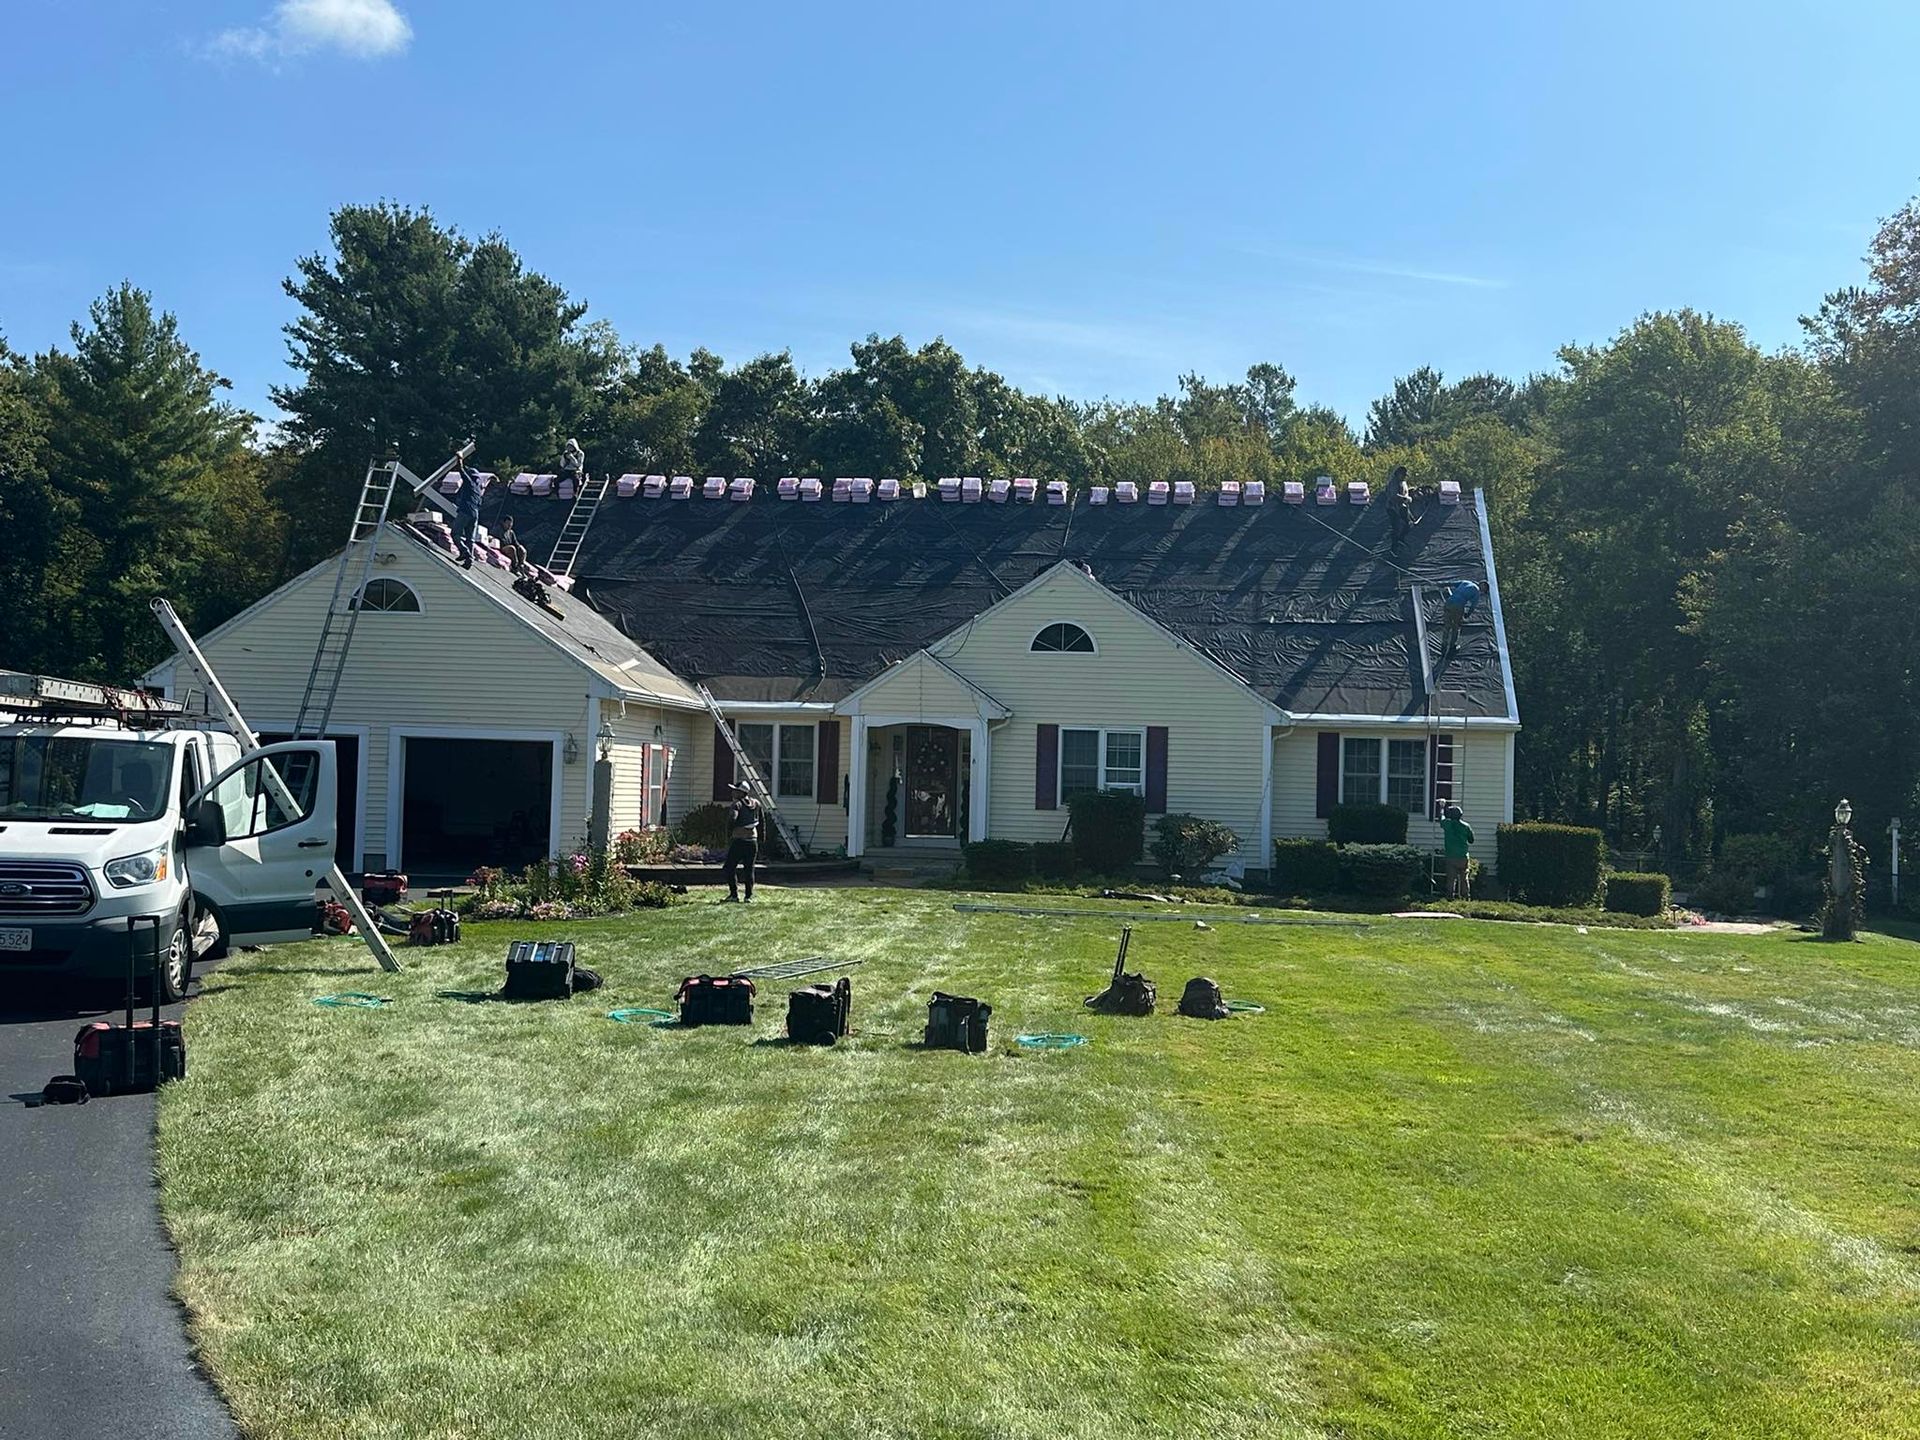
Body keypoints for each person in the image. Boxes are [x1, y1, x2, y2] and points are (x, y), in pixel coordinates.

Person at [720, 782, 760, 902]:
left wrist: (729, 833)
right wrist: (762, 839)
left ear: (742, 793)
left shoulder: (736, 804)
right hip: (753, 840)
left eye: (735, 790)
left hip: (739, 840)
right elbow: (761, 821)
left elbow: (732, 819)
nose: (733, 792)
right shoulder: (756, 803)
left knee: (729, 867)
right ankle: (748, 896)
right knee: (749, 869)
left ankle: (734, 895)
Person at [452, 461, 485, 569]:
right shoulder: (478, 490)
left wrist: (459, 459)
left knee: (455, 534)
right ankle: (469, 561)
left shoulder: (469, 483)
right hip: (475, 515)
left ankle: (465, 551)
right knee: (470, 539)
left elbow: (461, 471)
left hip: (465, 511)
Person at [1441, 804, 1475, 899]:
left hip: (1451, 856)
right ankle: (1465, 897)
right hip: (1463, 856)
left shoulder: (1447, 824)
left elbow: (1441, 819)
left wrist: (1442, 808)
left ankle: (1449, 897)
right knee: (1464, 878)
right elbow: (1471, 840)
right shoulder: (1466, 826)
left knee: (1451, 879)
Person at [1441, 578, 1480, 655]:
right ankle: (1452, 646)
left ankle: (1443, 645)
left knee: (1447, 626)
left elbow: (1451, 583)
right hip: (1458, 606)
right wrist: (1467, 614)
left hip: (1449, 603)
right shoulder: (1477, 590)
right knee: (1456, 627)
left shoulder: (1465, 582)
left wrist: (1442, 584)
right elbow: (1473, 606)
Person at [1384, 464, 1413, 547]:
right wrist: (1406, 499)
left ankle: (1401, 539)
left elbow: (1404, 491)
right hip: (1392, 508)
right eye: (1403, 475)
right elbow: (1394, 496)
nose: (1404, 477)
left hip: (1401, 506)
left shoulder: (1403, 482)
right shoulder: (1393, 483)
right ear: (1398, 474)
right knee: (1396, 527)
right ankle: (1394, 547)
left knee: (1408, 524)